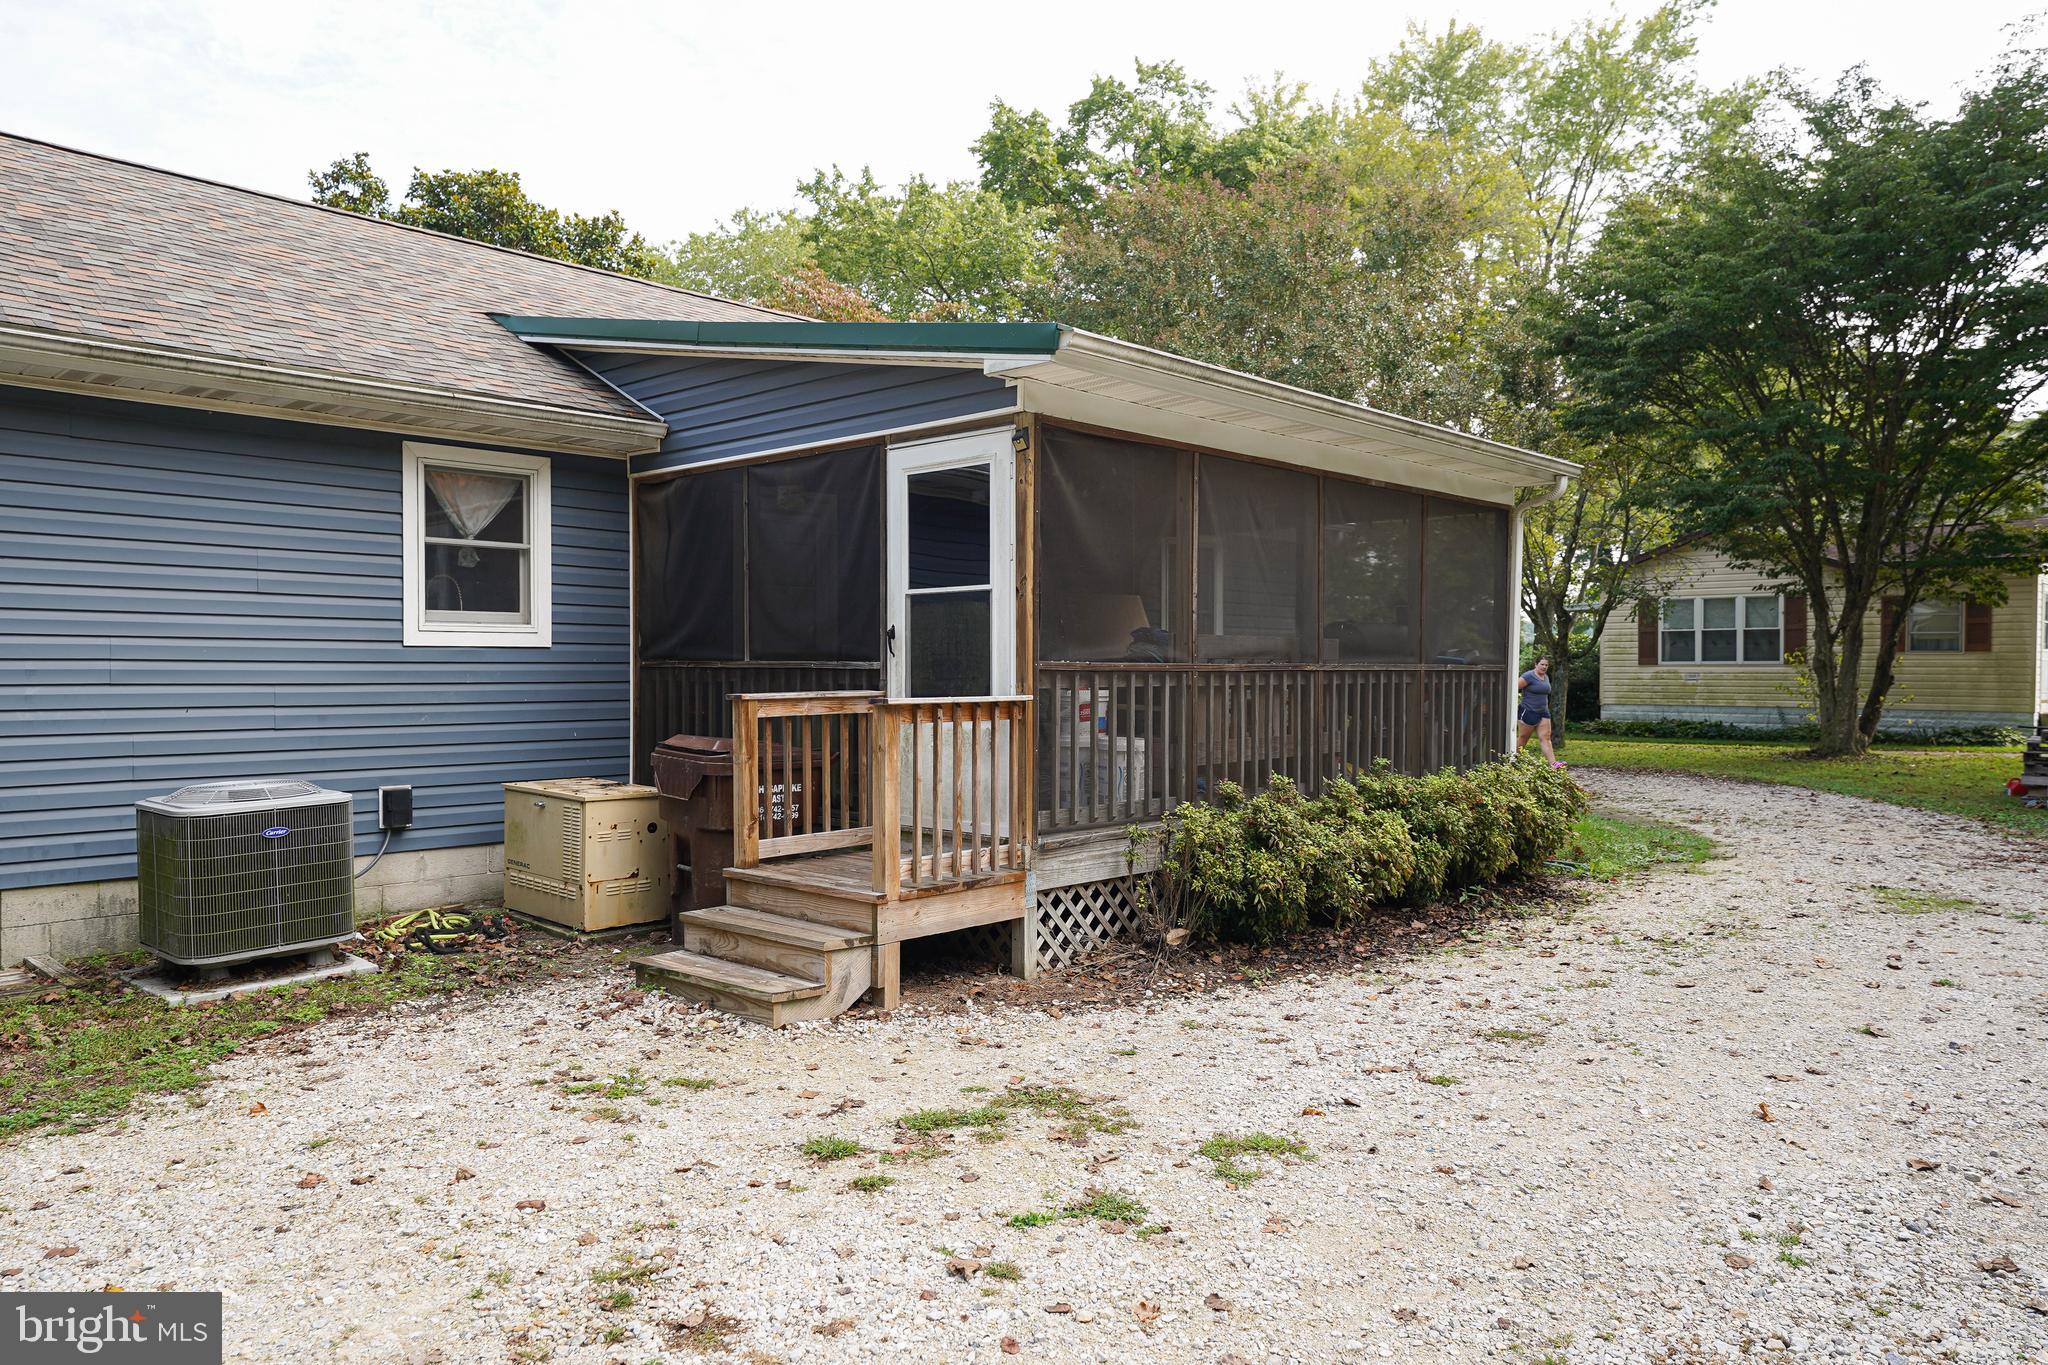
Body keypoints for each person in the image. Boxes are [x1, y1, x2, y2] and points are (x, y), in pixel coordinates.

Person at [1516, 656, 1564, 767]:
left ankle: (1553, 764)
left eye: (1546, 665)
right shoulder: (1528, 676)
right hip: (1529, 711)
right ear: (1536, 664)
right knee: (1523, 738)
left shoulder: (1546, 677)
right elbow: (1514, 688)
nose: (1544, 667)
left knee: (1546, 738)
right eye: (1542, 664)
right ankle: (1512, 760)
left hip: (1543, 712)